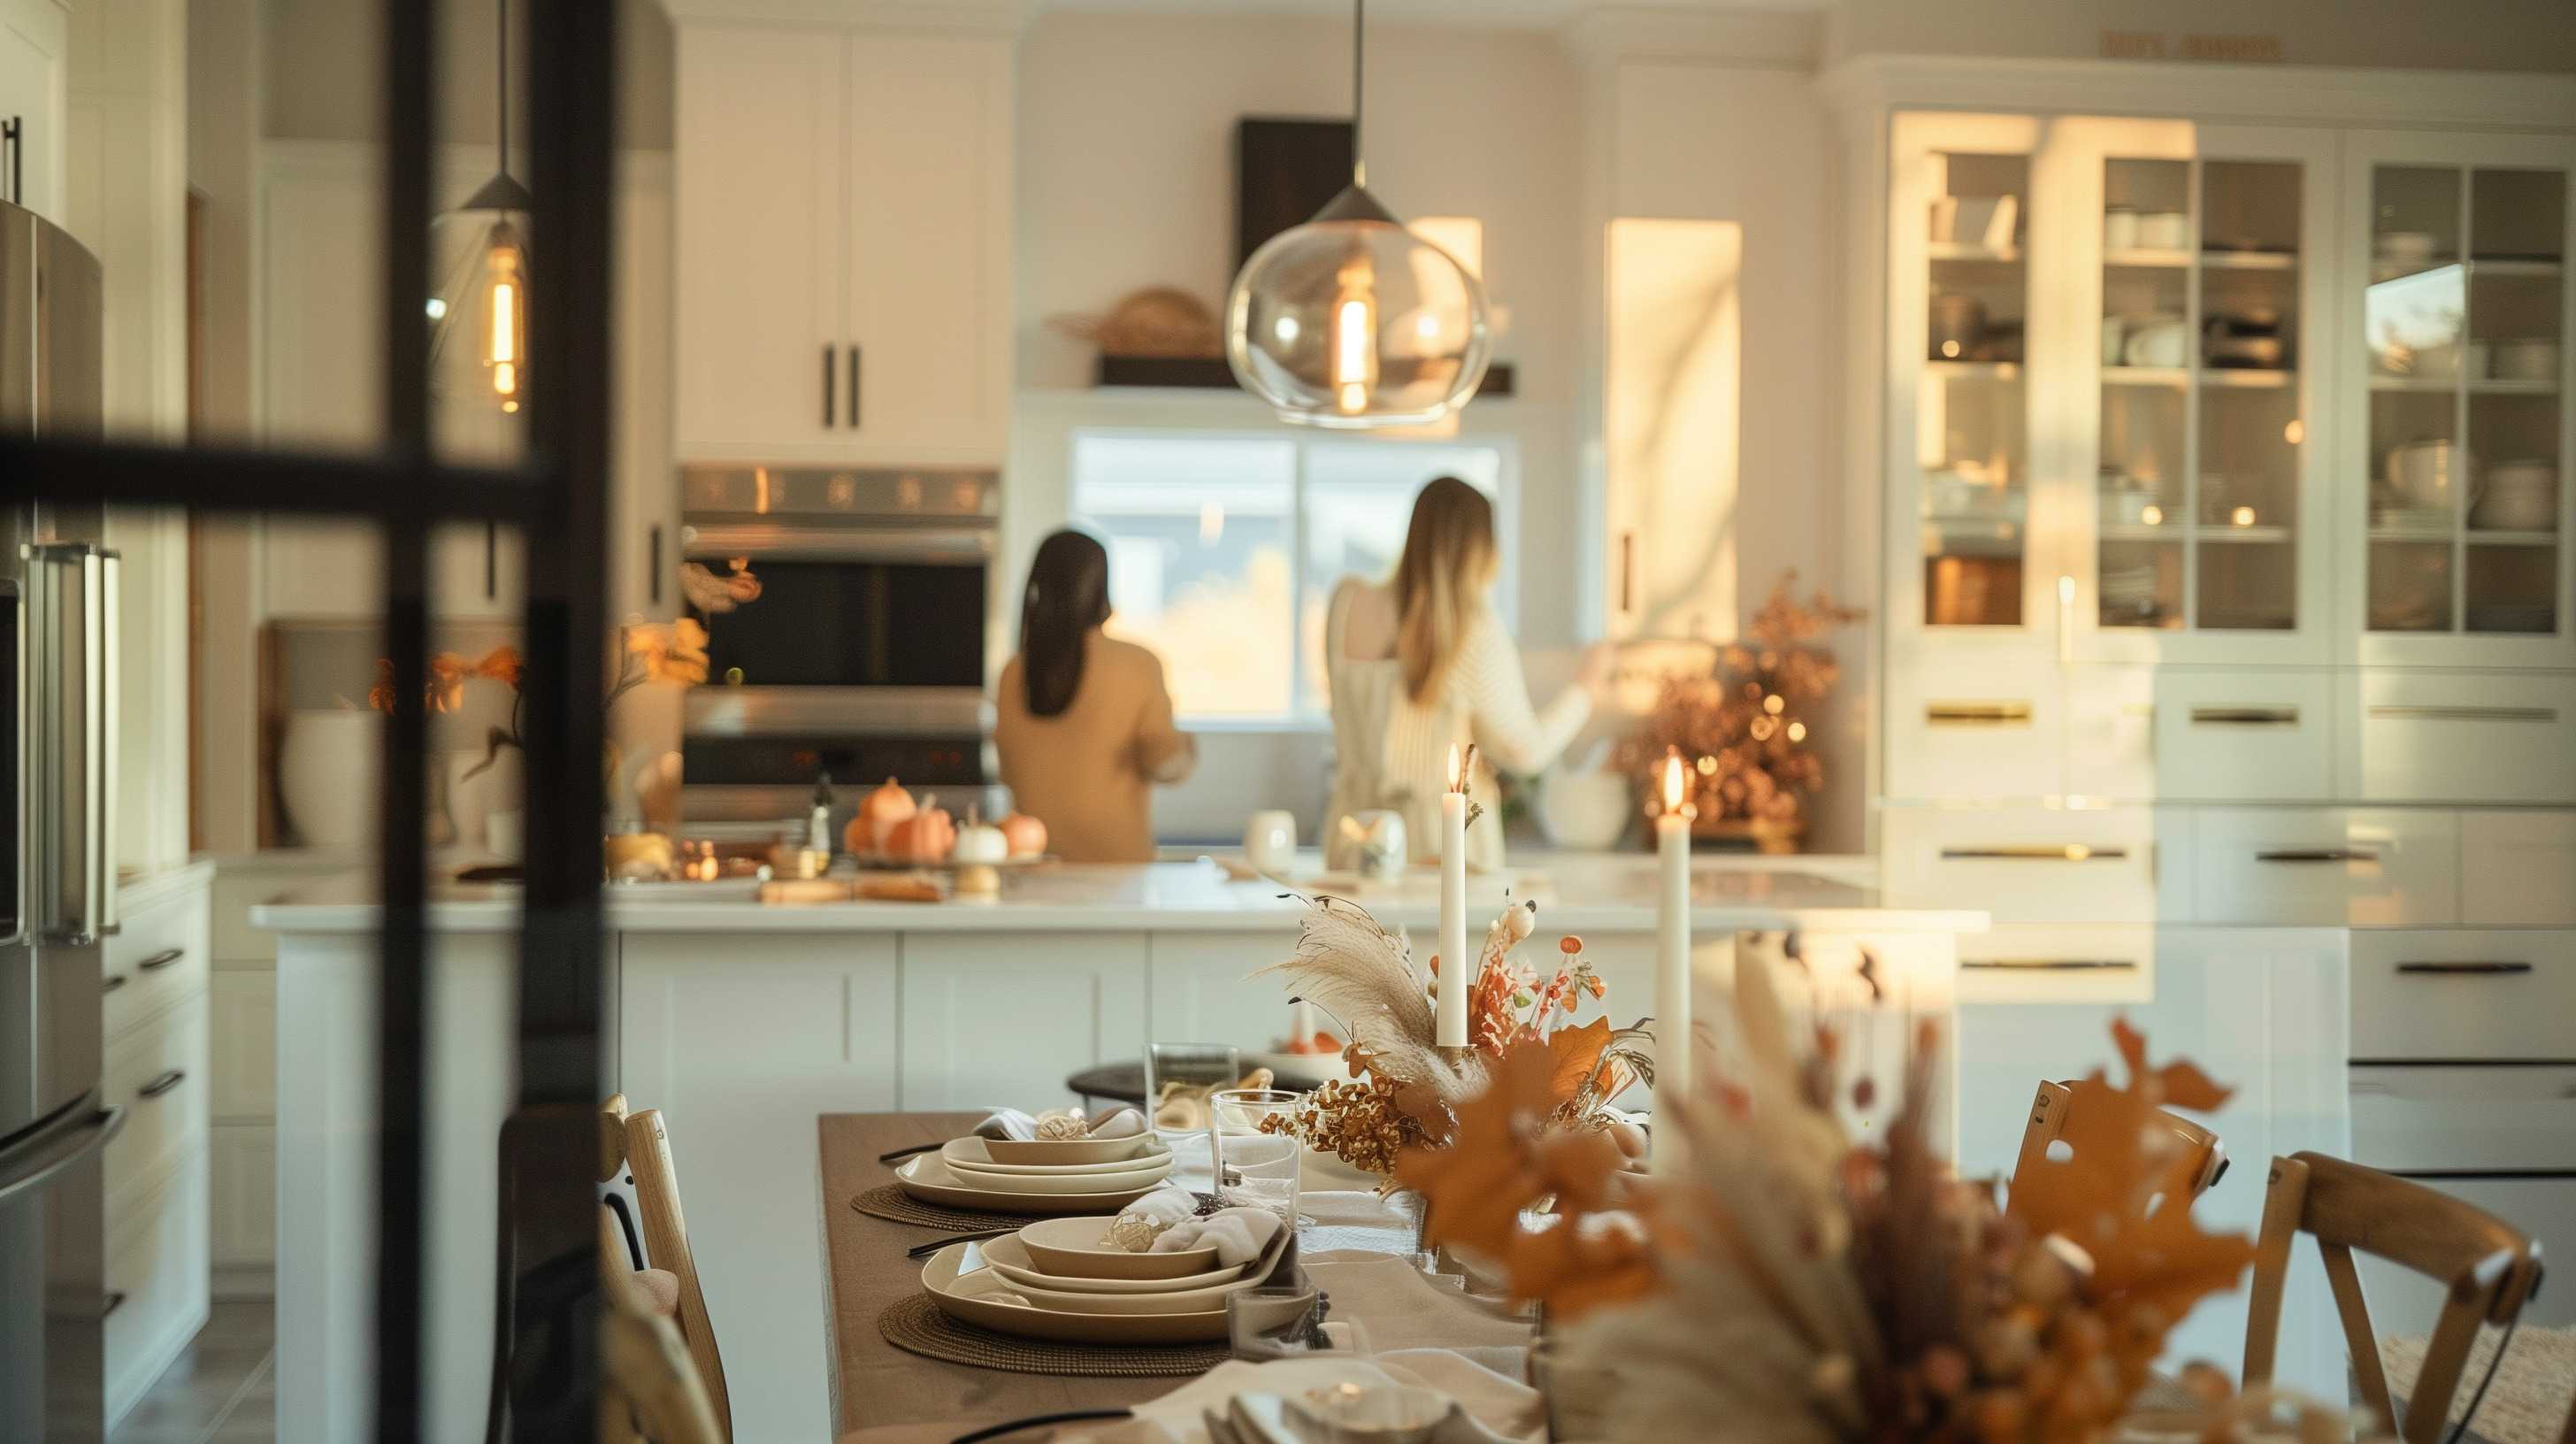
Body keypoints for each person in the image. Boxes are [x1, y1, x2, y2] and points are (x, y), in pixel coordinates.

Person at [1324, 476, 1612, 871]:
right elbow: (1525, 751)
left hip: (1353, 845)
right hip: (1443, 851)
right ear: (1481, 550)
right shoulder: (1472, 629)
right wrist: (1586, 688)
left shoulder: (1347, 602)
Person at [994, 529, 1196, 864]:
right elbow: (1164, 764)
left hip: (1034, 867)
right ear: (1101, 587)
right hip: (1118, 872)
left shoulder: (1012, 672)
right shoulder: (1138, 664)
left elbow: (1009, 774)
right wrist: (1184, 749)